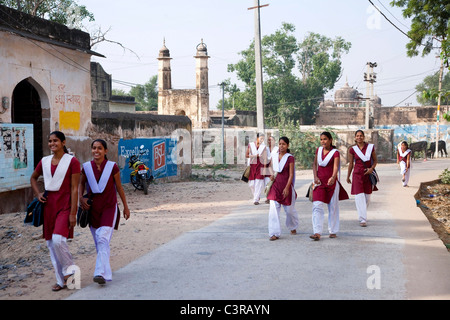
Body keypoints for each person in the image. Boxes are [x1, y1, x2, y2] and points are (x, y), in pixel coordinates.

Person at [30, 131, 80, 292]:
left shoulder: (72, 161)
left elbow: (74, 189)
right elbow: (33, 178)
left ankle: (69, 272)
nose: (52, 144)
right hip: (49, 206)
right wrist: (38, 193)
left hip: (65, 205)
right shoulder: (44, 161)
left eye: (55, 141)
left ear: (63, 142)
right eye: (50, 141)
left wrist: (73, 213)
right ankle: (61, 280)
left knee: (59, 240)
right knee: (51, 244)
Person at [78, 139, 130, 285]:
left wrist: (125, 206)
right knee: (99, 242)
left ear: (105, 151)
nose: (96, 151)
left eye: (99, 148)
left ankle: (100, 273)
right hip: (92, 208)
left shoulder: (112, 167)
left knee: (102, 238)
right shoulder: (87, 167)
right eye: (94, 148)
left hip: (109, 207)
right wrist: (80, 198)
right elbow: (81, 184)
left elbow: (119, 187)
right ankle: (105, 269)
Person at [310, 132, 349, 241]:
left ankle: (333, 231)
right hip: (319, 183)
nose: (323, 141)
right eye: (321, 139)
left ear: (330, 140)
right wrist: (315, 176)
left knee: (333, 207)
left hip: (331, 183)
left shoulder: (335, 153)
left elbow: (336, 166)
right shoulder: (318, 150)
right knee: (317, 205)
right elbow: (314, 164)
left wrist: (333, 177)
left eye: (325, 139)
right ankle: (317, 232)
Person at [267, 137, 299, 241]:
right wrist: (271, 175)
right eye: (280, 144)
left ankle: (293, 226)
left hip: (286, 186)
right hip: (275, 186)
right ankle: (274, 233)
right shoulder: (274, 156)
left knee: (289, 210)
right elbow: (270, 167)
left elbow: (291, 174)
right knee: (273, 210)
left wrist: (287, 188)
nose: (281, 146)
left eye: (284, 144)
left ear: (288, 145)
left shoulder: (290, 158)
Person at [346, 130, 378, 227]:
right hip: (357, 174)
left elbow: (375, 161)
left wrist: (371, 169)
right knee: (359, 197)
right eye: (357, 136)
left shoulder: (370, 147)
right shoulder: (352, 149)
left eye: (361, 136)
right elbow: (351, 163)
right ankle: (362, 219)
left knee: (367, 197)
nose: (359, 137)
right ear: (355, 137)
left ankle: (362, 212)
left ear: (364, 137)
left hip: (368, 174)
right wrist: (348, 176)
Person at [246, 133, 270, 205]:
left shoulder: (264, 147)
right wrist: (255, 156)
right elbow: (247, 155)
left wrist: (265, 168)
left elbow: (265, 158)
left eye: (263, 139)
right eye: (261, 138)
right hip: (252, 166)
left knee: (258, 183)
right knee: (251, 184)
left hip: (261, 166)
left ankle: (256, 200)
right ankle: (257, 196)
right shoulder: (251, 145)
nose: (262, 140)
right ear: (257, 138)